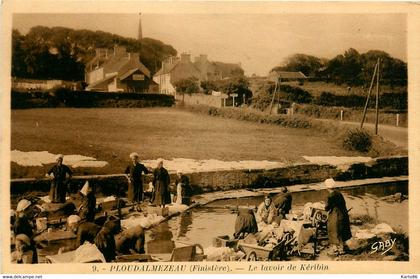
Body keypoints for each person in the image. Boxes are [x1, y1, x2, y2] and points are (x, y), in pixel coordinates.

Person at [324, 178, 352, 256]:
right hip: (343, 213)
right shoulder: (339, 193)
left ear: (327, 188)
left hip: (335, 214)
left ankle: (335, 249)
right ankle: (344, 247)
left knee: (333, 230)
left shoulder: (330, 196)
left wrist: (327, 209)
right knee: (342, 230)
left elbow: (327, 208)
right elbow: (344, 202)